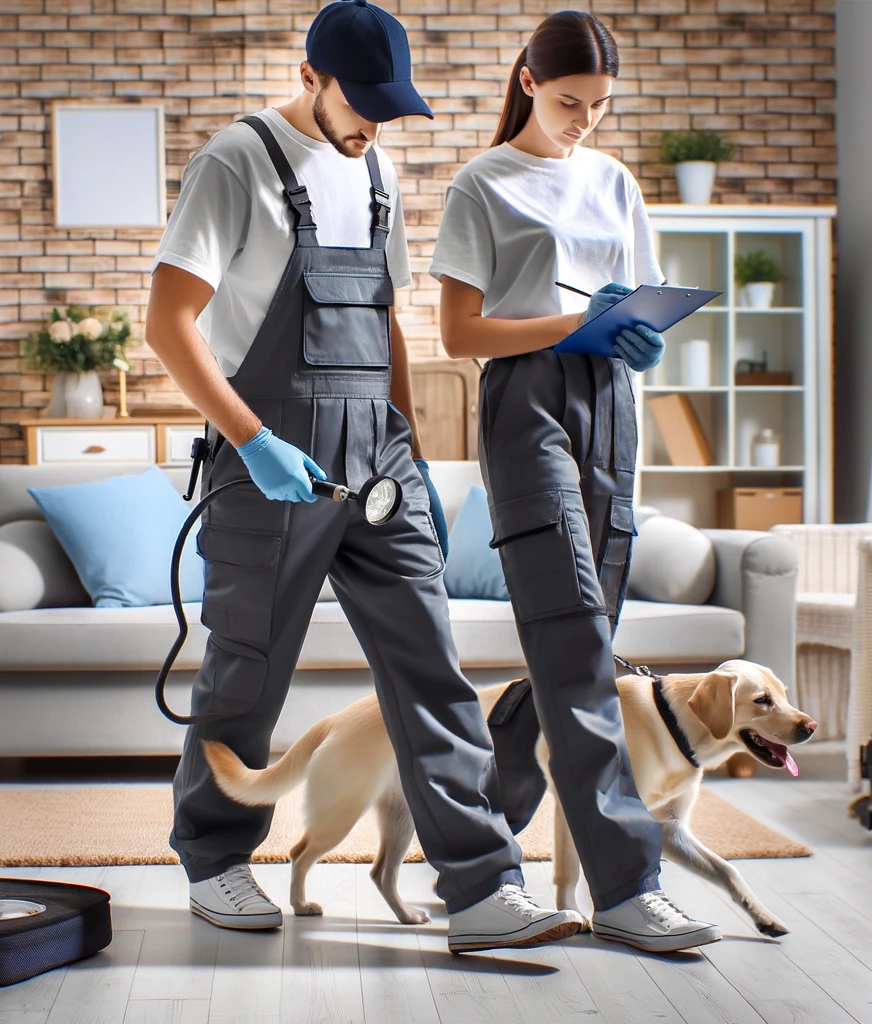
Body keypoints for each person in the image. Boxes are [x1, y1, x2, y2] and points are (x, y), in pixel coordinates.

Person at [146, 0, 581, 954]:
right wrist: (253, 440)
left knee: (432, 670)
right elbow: (170, 325)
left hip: (378, 461)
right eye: (360, 105)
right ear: (310, 78)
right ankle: (216, 862)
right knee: (246, 673)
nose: (373, 127)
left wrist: (410, 448)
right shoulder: (236, 162)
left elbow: (383, 318)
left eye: (389, 108)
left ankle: (481, 887)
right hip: (270, 461)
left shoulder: (376, 168)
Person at [428, 9, 722, 953]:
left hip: (611, 403)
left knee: (579, 643)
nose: (583, 120)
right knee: (575, 646)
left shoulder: (614, 180)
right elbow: (460, 336)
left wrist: (640, 339)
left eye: (599, 106)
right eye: (568, 102)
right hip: (526, 407)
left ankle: (481, 847)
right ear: (525, 81)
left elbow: (643, 299)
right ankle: (629, 888)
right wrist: (565, 325)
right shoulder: (483, 183)